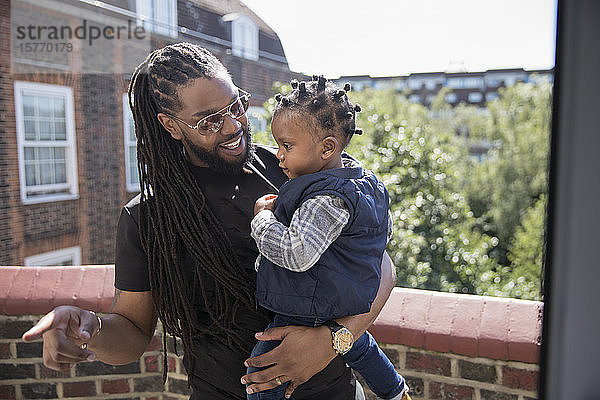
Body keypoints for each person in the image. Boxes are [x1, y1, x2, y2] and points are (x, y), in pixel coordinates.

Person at [21, 43, 396, 400]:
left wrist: (334, 341)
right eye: (209, 121)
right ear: (170, 125)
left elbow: (379, 265)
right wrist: (90, 328)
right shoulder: (148, 218)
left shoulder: (291, 171)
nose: (233, 126)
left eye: (236, 106)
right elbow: (132, 335)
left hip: (335, 391)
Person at [247, 76, 409, 400]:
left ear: (327, 148)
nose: (278, 155)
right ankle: (395, 391)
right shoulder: (363, 182)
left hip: (306, 303)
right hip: (339, 301)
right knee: (360, 346)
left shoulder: (325, 198)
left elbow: (297, 253)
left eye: (287, 146)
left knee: (261, 372)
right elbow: (382, 231)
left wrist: (261, 219)